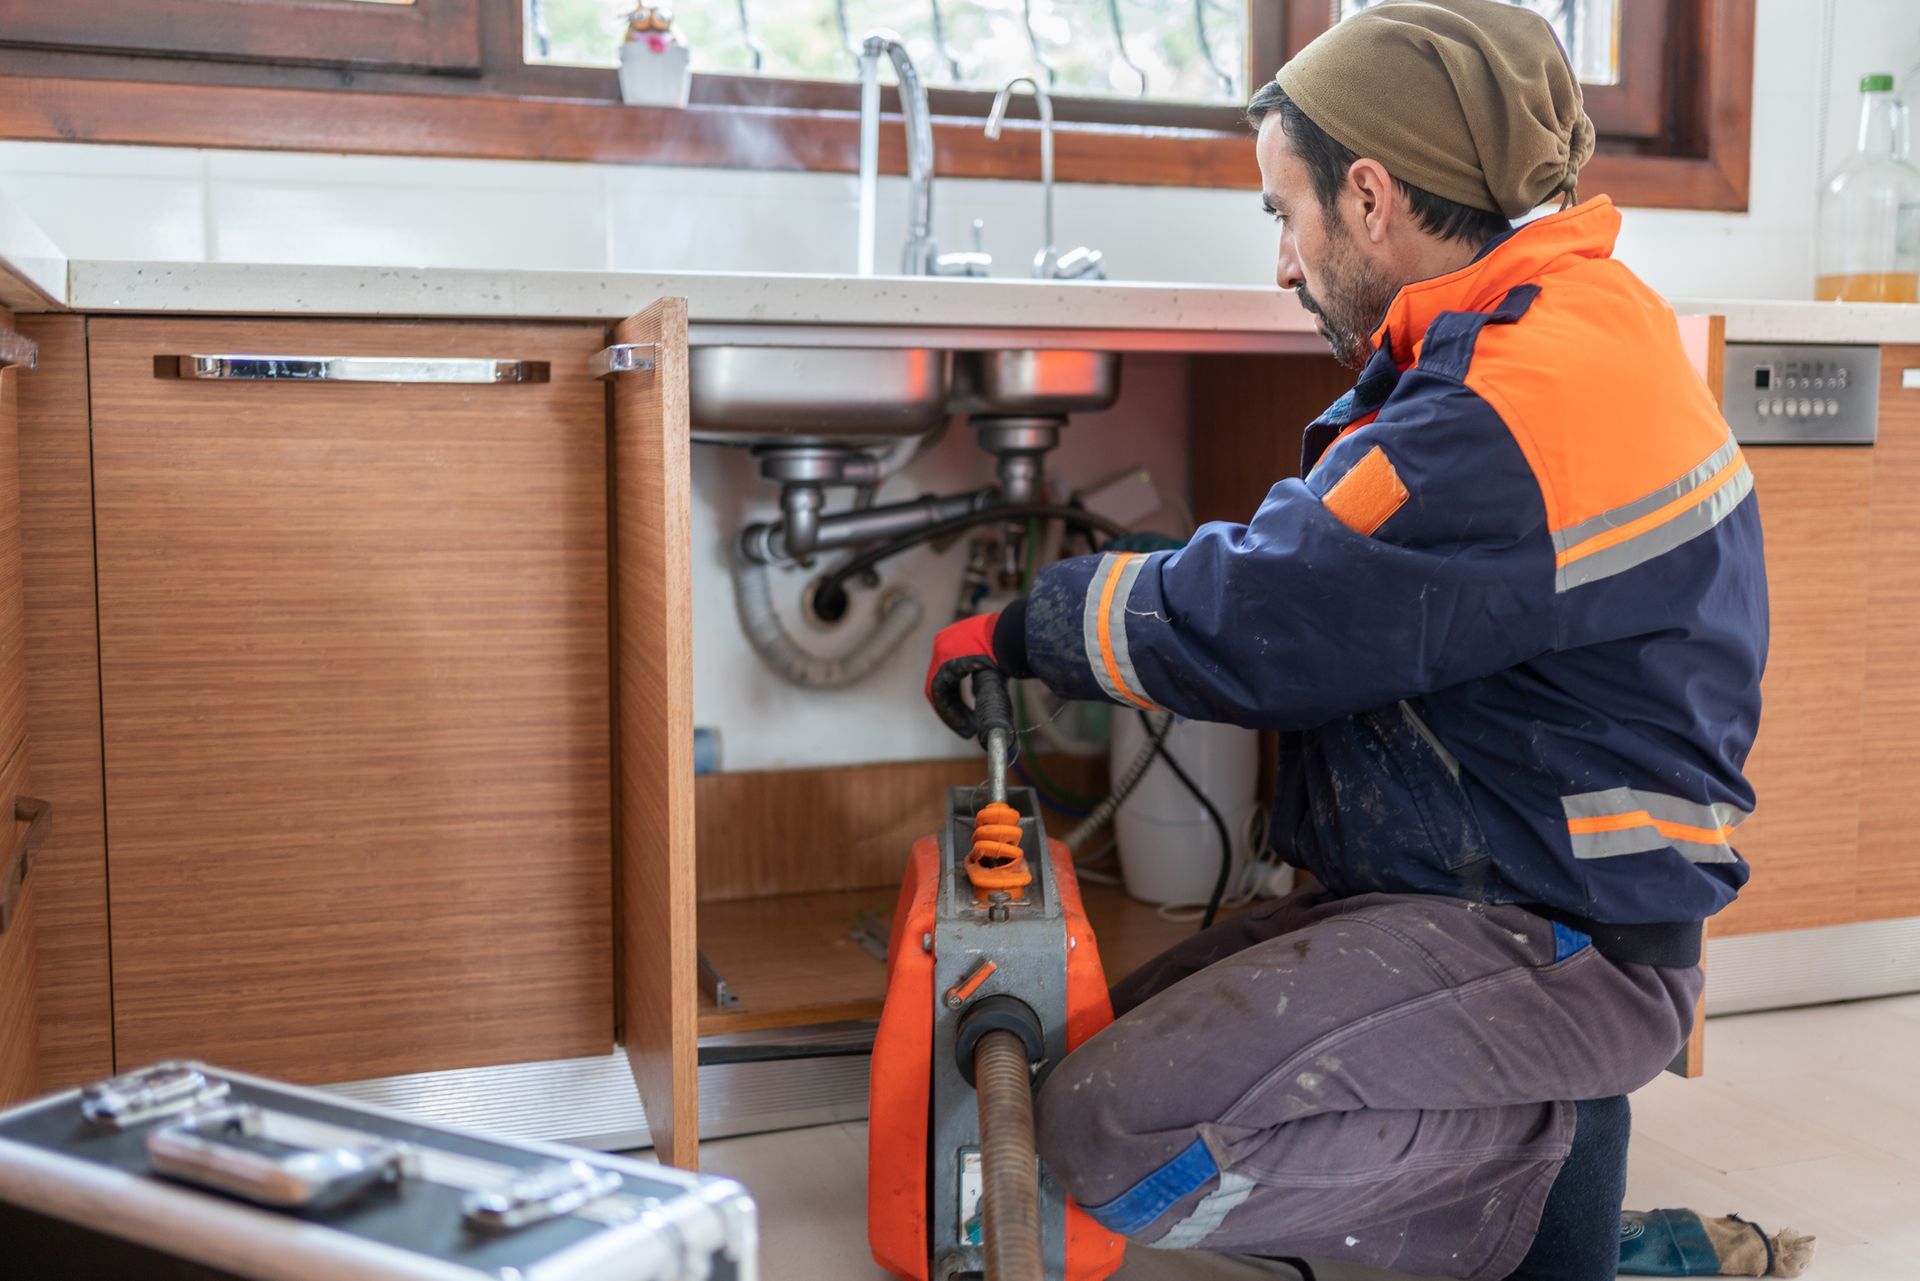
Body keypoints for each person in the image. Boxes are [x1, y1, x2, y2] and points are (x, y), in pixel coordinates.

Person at [920, 2, 1768, 1277]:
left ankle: (1559, 1198)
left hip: (1566, 938)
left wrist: (1029, 626)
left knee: (1109, 1134)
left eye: (1285, 214)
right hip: (1494, 881)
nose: (1280, 261)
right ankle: (1526, 1168)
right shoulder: (1544, 326)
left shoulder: (1516, 398)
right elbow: (1310, 578)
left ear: (1369, 197)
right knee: (1118, 1038)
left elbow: (1275, 613)